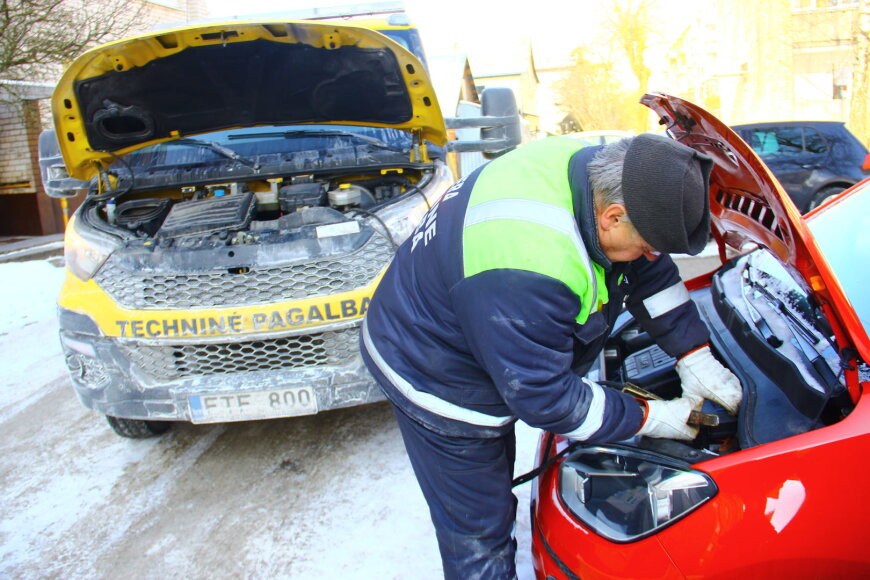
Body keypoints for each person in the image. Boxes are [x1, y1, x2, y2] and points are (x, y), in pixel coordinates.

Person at [360, 133, 742, 579]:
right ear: (612, 217)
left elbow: (648, 274)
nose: (649, 256)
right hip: (430, 368)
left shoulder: (594, 173)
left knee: (492, 491)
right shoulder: (529, 263)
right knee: (479, 527)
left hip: (474, 311)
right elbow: (545, 397)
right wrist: (653, 418)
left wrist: (695, 355)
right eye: (647, 244)